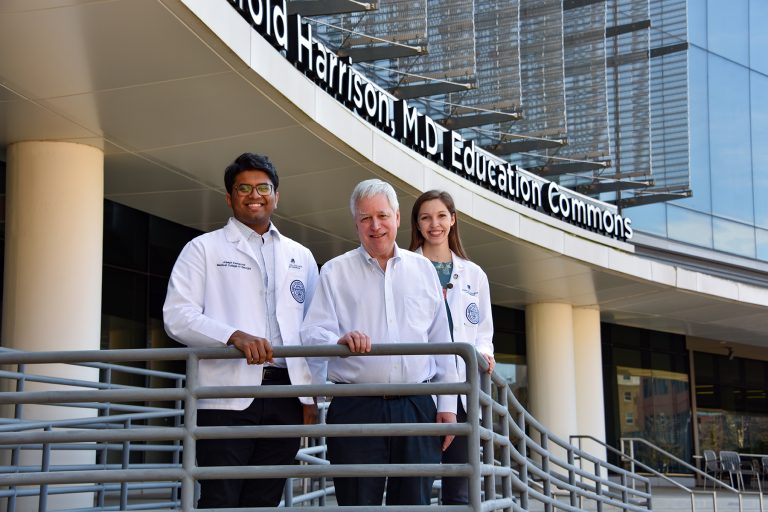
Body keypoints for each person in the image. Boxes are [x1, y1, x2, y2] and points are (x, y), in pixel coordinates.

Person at [163, 152, 324, 508]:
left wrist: (310, 394)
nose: (255, 195)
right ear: (230, 197)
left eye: (263, 187)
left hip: (287, 394)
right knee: (220, 497)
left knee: (265, 499)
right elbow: (177, 315)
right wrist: (232, 335)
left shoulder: (302, 256)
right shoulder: (203, 249)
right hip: (226, 394)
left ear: (276, 195)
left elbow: (314, 328)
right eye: (244, 188)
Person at [300, 179, 459, 506]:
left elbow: (443, 339)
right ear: (355, 223)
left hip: (417, 405)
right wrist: (337, 340)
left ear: (398, 218)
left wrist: (447, 406)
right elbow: (313, 332)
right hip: (357, 405)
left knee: (413, 500)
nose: (375, 226)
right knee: (358, 501)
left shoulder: (424, 270)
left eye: (383, 216)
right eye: (365, 218)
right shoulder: (334, 272)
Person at [409, 189, 495, 506]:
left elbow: (483, 330)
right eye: (426, 217)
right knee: (417, 480)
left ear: (453, 219)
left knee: (459, 485)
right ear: (416, 224)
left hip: (461, 391)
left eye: (441, 216)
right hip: (420, 390)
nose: (435, 224)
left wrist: (484, 353)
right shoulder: (404, 267)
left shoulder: (474, 275)